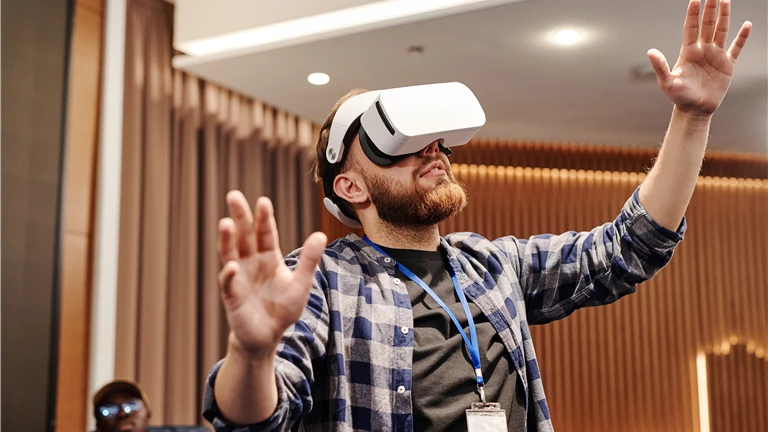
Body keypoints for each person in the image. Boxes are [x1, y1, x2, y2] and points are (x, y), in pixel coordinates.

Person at [201, 0, 752, 430]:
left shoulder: (491, 267)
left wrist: (692, 117)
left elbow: (628, 247)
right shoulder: (321, 281)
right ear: (350, 187)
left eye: (437, 141)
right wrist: (250, 353)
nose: (432, 150)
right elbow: (254, 417)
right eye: (398, 145)